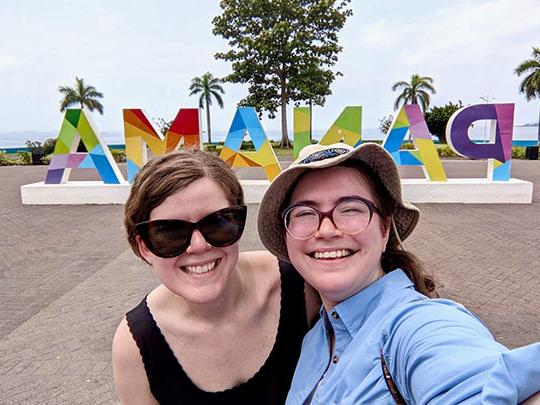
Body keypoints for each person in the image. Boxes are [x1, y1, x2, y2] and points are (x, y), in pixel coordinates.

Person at [258, 142, 540, 404]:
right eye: (305, 213)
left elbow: (472, 382)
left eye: (351, 209)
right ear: (287, 236)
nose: (328, 230)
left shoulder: (418, 326)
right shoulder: (316, 336)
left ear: (384, 230)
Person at [112, 149, 317, 404]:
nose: (198, 246)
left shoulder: (302, 285)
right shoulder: (137, 345)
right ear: (144, 247)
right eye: (170, 232)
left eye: (218, 222)